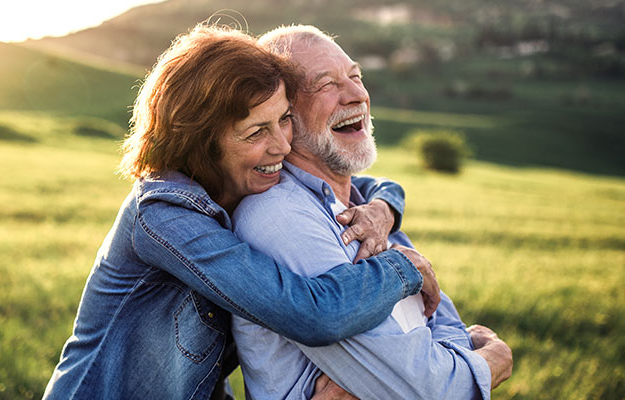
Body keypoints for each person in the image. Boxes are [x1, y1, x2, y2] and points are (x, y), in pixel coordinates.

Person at [42, 24, 442, 399]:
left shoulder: (243, 177)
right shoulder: (164, 216)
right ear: (201, 141)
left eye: (284, 120)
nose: (282, 147)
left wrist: (382, 210)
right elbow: (311, 315)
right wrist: (403, 268)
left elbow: (363, 185)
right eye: (256, 132)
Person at [231, 25, 513, 399]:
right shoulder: (279, 218)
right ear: (285, 116)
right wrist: (493, 358)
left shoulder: (369, 212)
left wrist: (446, 354)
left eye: (356, 76)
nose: (357, 95)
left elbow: (436, 317)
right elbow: (423, 389)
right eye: (327, 84)